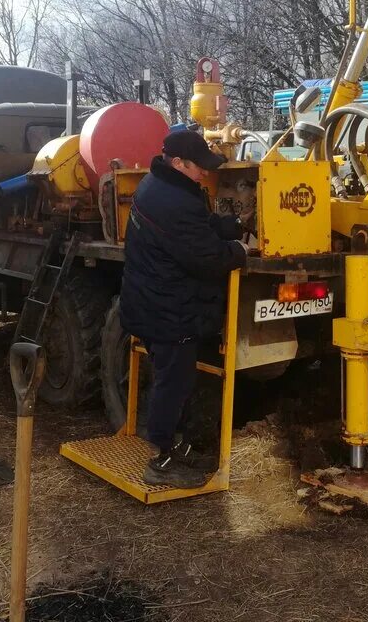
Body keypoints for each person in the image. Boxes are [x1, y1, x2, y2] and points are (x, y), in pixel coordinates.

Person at [120, 130, 248, 488]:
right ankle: (160, 460)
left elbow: (193, 228)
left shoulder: (159, 186)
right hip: (167, 309)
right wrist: (240, 250)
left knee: (174, 377)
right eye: (199, 168)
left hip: (156, 301)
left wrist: (227, 225)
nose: (205, 174)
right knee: (173, 382)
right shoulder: (173, 201)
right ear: (178, 163)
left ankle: (174, 445)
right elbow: (206, 258)